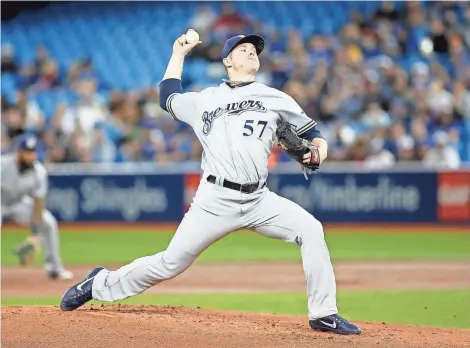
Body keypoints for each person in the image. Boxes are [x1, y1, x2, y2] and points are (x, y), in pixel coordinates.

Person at [60, 32, 361, 335]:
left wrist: (318, 152)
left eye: (255, 50)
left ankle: (323, 313)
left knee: (311, 229)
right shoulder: (205, 99)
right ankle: (99, 282)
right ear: (228, 60)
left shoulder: (276, 98)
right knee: (169, 263)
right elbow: (167, 97)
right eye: (243, 50)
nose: (251, 53)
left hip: (259, 199)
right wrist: (178, 53)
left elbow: (315, 134)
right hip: (215, 199)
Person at [2, 135, 73, 280]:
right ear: (19, 152)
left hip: (18, 203)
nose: (30, 156)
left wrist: (34, 234)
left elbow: (38, 203)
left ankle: (55, 269)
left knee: (49, 223)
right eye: (27, 152)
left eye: (33, 152)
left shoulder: (39, 171)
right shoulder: (3, 165)